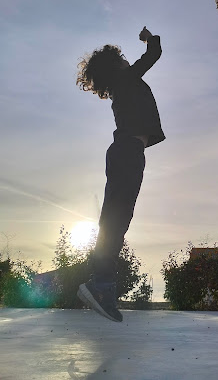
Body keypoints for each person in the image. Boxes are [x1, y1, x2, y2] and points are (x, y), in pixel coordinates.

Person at [75, 26, 165, 322]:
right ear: (117, 66)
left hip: (128, 153)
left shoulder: (122, 83)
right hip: (127, 152)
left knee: (116, 219)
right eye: (123, 58)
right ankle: (100, 285)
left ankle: (102, 285)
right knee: (116, 219)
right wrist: (149, 38)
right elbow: (153, 54)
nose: (128, 61)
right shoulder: (126, 78)